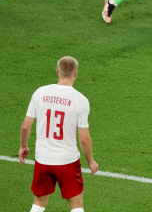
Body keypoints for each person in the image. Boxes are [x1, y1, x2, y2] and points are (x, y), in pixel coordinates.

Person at [19, 57, 99, 212]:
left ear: (57, 72)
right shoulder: (80, 100)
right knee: (76, 205)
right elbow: (84, 139)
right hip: (67, 161)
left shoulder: (40, 93)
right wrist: (90, 161)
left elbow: (25, 127)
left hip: (43, 159)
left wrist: (24, 146)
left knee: (38, 203)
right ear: (75, 74)